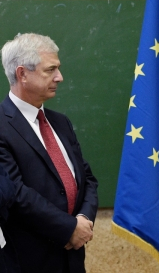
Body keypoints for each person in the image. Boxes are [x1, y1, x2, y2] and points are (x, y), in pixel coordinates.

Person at [0, 33, 98, 273]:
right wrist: (68, 229)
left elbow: (87, 178)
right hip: (28, 260)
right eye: (50, 70)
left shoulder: (60, 122)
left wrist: (83, 220)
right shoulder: (2, 125)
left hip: (72, 256)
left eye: (58, 68)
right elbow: (15, 194)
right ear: (22, 74)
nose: (59, 77)